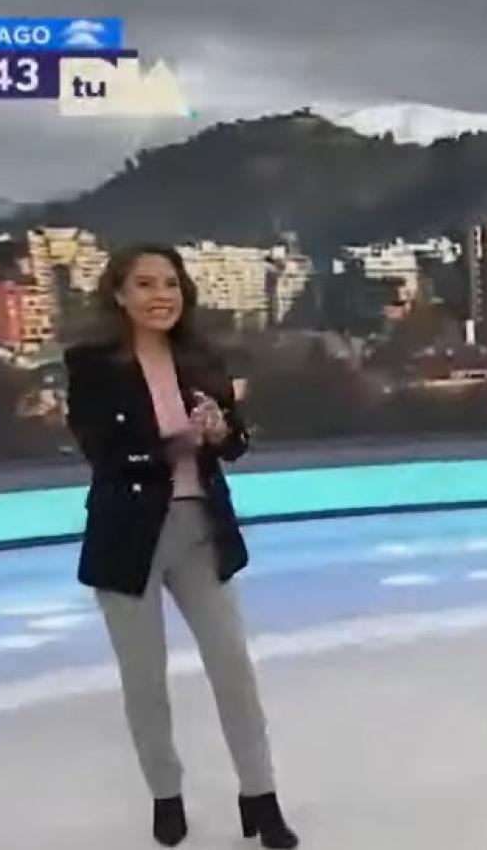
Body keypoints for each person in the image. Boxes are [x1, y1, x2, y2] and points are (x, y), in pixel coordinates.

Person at [64, 245, 298, 847]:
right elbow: (102, 451)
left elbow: (235, 444)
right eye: (145, 284)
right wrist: (176, 443)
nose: (161, 295)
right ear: (119, 294)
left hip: (201, 532)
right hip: (127, 535)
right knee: (145, 681)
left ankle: (261, 796)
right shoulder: (91, 366)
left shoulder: (202, 359)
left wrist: (219, 432)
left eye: (171, 283)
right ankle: (165, 796)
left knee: (233, 669)